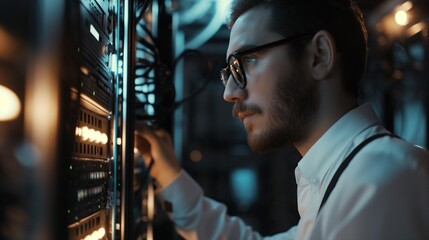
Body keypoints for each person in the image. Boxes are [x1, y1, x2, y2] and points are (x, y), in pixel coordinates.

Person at [135, 0, 429, 239]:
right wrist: (169, 175)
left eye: (247, 60)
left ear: (319, 56)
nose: (229, 93)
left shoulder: (379, 183)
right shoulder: (343, 180)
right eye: (230, 70)